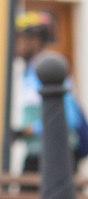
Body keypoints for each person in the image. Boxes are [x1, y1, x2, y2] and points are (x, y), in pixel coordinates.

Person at [13, 12, 88, 175]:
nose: (14, 44)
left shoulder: (51, 68)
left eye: (19, 38)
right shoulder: (28, 71)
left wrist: (31, 130)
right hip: (37, 152)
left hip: (57, 154)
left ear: (34, 40)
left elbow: (69, 118)